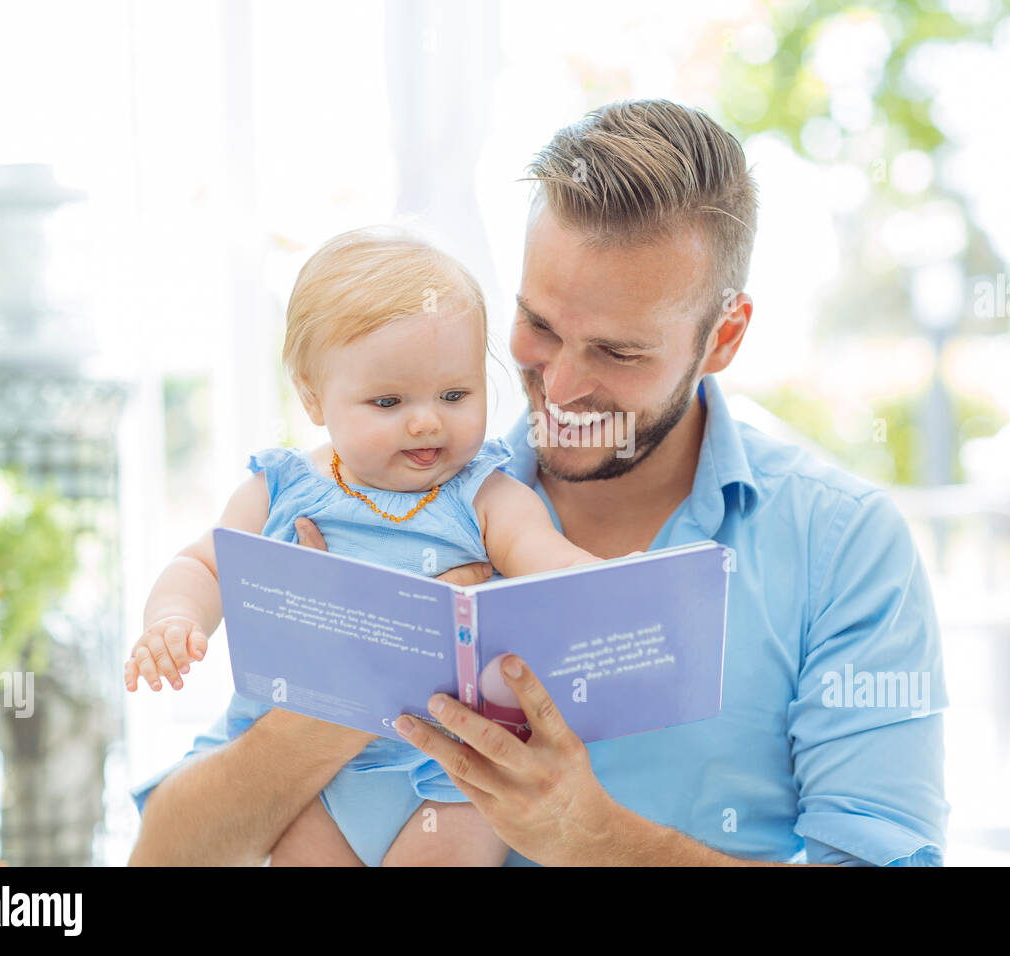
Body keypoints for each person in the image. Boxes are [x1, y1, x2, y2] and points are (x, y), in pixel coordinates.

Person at [129, 99, 949, 867]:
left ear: (723, 337)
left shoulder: (842, 548)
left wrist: (595, 839)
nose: (559, 388)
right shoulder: (399, 499)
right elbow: (166, 855)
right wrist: (338, 702)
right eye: (539, 327)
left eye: (618, 353)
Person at [123, 227, 607, 866]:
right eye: (388, 401)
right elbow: (202, 565)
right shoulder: (280, 490)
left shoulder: (484, 495)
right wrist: (174, 620)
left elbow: (551, 561)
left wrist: (609, 581)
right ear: (312, 395)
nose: (427, 420)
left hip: (447, 768)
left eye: (455, 395)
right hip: (307, 779)